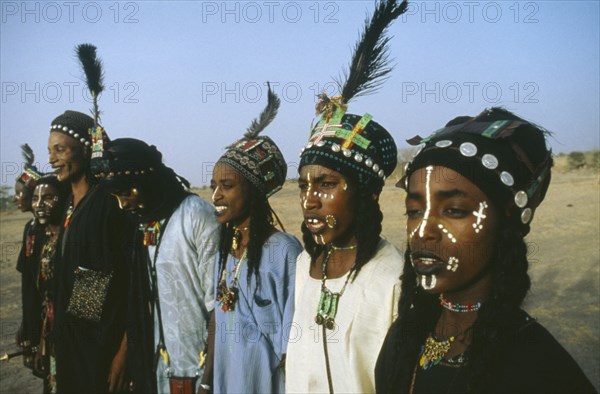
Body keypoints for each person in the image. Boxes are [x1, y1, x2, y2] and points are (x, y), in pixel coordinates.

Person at [375, 107, 597, 393]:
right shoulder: (405, 337)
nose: (423, 231)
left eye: (454, 211)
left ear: (506, 221)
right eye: (415, 211)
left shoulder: (536, 364)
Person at [285, 1, 407, 392]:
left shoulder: (394, 279)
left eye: (326, 184)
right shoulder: (305, 264)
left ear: (369, 194)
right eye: (304, 185)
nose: (309, 200)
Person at [95, 138, 220, 393]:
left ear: (148, 181)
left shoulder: (195, 214)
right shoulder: (144, 222)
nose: (122, 204)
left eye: (127, 192)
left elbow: (218, 306)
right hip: (160, 367)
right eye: (116, 196)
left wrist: (209, 378)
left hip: (199, 368)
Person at [203, 84, 302, 394]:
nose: (216, 195)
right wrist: (207, 380)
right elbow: (217, 321)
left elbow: (292, 346)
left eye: (227, 185)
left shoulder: (283, 251)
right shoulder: (225, 249)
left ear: (254, 190)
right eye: (213, 185)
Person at [50, 44, 135, 393]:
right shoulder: (72, 206)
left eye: (60, 149)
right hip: (74, 347)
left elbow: (112, 285)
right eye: (50, 150)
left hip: (96, 348)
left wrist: (121, 353)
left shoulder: (103, 205)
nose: (52, 158)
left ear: (86, 150)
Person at [30, 175, 70, 393]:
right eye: (35, 198)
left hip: (74, 334)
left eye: (47, 198)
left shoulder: (72, 238)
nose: (39, 205)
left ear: (63, 200)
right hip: (51, 331)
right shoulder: (42, 239)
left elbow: (89, 299)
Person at [14, 144, 45, 374]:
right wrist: (26, 323)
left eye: (20, 193)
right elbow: (27, 283)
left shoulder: (51, 230)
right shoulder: (30, 228)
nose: (16, 198)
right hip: (34, 316)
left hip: (48, 319)